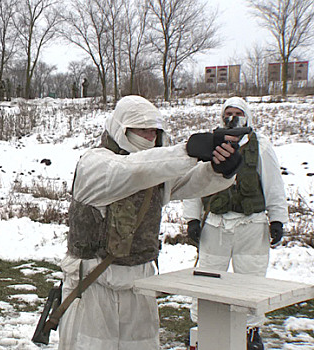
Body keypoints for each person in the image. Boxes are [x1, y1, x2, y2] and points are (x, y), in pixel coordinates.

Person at [58, 95, 243, 350]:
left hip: (139, 282)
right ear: (121, 129)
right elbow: (131, 170)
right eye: (141, 130)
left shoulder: (158, 169)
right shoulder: (95, 163)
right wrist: (187, 151)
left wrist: (221, 170)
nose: (148, 137)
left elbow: (190, 180)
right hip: (92, 283)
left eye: (154, 131)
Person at [183, 96, 288, 350]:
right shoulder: (211, 146)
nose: (232, 116)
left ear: (247, 116)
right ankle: (202, 328)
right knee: (207, 276)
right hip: (217, 223)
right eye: (228, 112)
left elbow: (274, 184)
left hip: (251, 225)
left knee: (250, 280)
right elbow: (194, 184)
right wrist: (192, 219)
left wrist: (277, 219)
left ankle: (251, 332)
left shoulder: (260, 146)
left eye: (237, 112)